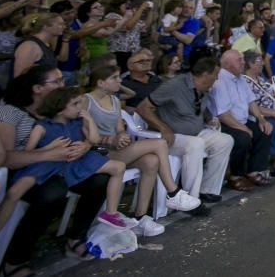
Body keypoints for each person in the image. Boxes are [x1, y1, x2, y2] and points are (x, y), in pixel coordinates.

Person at [0, 66, 110, 267]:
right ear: (37, 88)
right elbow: (5, 159)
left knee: (99, 180)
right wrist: (47, 153)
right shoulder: (10, 112)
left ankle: (76, 238)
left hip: (61, 166)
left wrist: (85, 146)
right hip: (25, 171)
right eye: (57, 81)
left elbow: (83, 136)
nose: (63, 85)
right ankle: (15, 259)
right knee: (53, 193)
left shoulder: (58, 112)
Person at [0, 87, 129, 232]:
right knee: (14, 192)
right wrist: (49, 149)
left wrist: (89, 120)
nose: (80, 107)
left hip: (71, 162)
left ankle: (110, 213)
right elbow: (28, 152)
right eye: (75, 104)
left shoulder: (78, 123)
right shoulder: (42, 127)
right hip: (44, 164)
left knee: (118, 166)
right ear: (60, 110)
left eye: (80, 103)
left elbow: (94, 139)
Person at [86, 65, 201, 222]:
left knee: (152, 161)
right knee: (160, 144)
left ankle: (140, 216)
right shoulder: (86, 101)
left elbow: (119, 128)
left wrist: (122, 136)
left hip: (115, 148)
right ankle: (173, 192)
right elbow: (84, 135)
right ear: (100, 82)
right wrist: (110, 140)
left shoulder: (114, 100)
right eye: (114, 78)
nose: (119, 81)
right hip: (98, 150)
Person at [138, 57, 234, 210]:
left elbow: (199, 109)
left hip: (195, 133)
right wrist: (163, 128)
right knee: (196, 144)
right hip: (171, 137)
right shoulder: (175, 85)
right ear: (204, 74)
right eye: (215, 74)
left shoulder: (203, 89)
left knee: (225, 140)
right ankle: (190, 199)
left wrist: (209, 118)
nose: (217, 78)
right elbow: (143, 108)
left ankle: (207, 190)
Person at [210, 49, 274, 190]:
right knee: (243, 138)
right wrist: (244, 128)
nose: (243, 62)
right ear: (227, 64)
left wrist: (261, 119)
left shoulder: (240, 78)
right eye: (239, 60)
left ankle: (253, 171)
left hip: (242, 121)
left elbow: (251, 102)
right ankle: (235, 176)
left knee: (264, 131)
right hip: (225, 123)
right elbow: (223, 114)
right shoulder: (220, 81)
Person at [104, 0, 152, 70]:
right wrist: (141, 9)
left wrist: (149, 11)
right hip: (118, 52)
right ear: (118, 4)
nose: (128, 7)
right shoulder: (112, 16)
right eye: (126, 4)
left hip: (132, 52)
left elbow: (145, 26)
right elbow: (128, 26)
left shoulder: (132, 18)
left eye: (129, 5)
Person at [13, 12, 65, 78]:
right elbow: (19, 77)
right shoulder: (29, 46)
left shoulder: (46, 44)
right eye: (60, 24)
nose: (64, 27)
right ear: (46, 26)